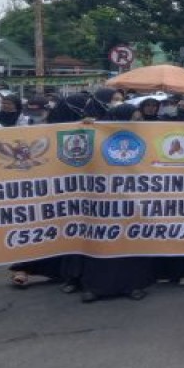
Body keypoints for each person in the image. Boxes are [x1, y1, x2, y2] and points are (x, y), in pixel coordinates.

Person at [52, 94, 155, 303]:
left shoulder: (146, 138)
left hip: (133, 200)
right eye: (135, 119)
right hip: (102, 201)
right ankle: (95, 286)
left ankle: (133, 285)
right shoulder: (99, 135)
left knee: (131, 244)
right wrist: (87, 127)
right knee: (101, 244)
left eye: (140, 119)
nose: (139, 123)